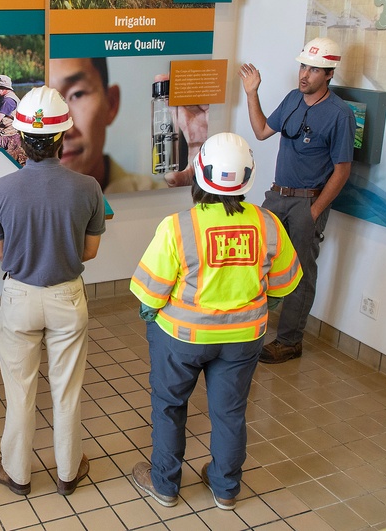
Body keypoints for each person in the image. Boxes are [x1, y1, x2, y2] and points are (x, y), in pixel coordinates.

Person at [129, 133, 302, 511]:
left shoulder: (178, 226)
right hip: (243, 339)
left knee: (170, 406)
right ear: (247, 177)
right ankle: (225, 487)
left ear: (199, 174)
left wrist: (154, 316)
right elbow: (284, 285)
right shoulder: (268, 223)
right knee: (230, 412)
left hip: (183, 339)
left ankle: (165, 484)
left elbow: (148, 295)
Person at [0, 86, 105, 497]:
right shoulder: (88, 186)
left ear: (19, 136)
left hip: (19, 297)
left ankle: (17, 473)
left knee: (20, 391)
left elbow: (1, 253)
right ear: (62, 137)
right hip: (68, 296)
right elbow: (89, 250)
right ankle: (68, 473)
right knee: (66, 390)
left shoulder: (0, 189)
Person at [240, 37, 355, 364]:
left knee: (301, 272)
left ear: (329, 74)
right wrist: (252, 93)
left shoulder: (340, 115)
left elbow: (342, 170)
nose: (304, 74)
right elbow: (262, 131)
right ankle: (249, 325)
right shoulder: (293, 98)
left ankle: (290, 341)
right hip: (277, 196)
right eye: (303, 65)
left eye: (314, 69)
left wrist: (315, 210)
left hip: (308, 202)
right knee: (256, 260)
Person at [50, 58, 208, 194]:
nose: (63, 130)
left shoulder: (156, 200)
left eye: (77, 94)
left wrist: (204, 182)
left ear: (111, 103)